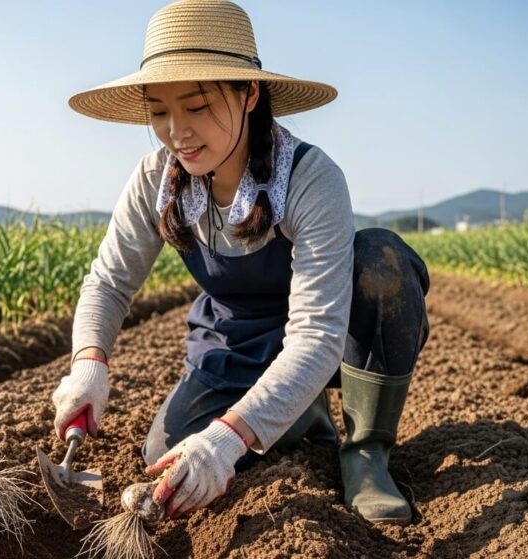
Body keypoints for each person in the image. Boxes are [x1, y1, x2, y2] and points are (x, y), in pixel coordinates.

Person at [52, 0, 430, 525]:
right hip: (235, 343)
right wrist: (89, 364)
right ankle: (299, 413)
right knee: (169, 452)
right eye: (159, 112)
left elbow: (317, 334)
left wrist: (229, 438)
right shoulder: (155, 179)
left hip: (332, 333)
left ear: (249, 93)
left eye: (197, 105)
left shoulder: (309, 177)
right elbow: (110, 282)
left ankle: (367, 452)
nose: (177, 130)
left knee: (381, 260)